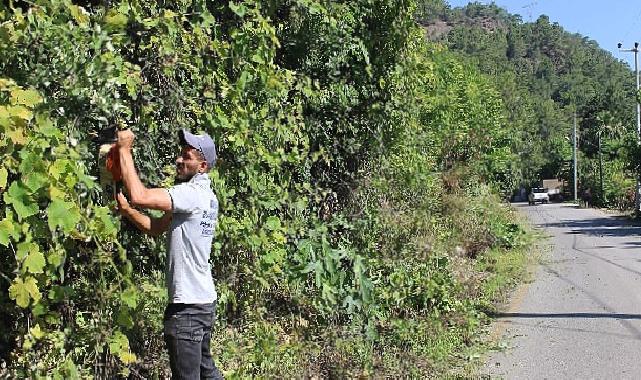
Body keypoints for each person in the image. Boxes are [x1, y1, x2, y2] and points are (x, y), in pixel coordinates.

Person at [115, 129, 223, 380]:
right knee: (208, 373)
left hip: (187, 309)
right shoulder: (204, 197)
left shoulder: (191, 195)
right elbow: (155, 228)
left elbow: (140, 196)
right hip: (204, 304)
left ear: (202, 166)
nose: (178, 160)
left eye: (187, 157)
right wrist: (128, 212)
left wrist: (123, 149)